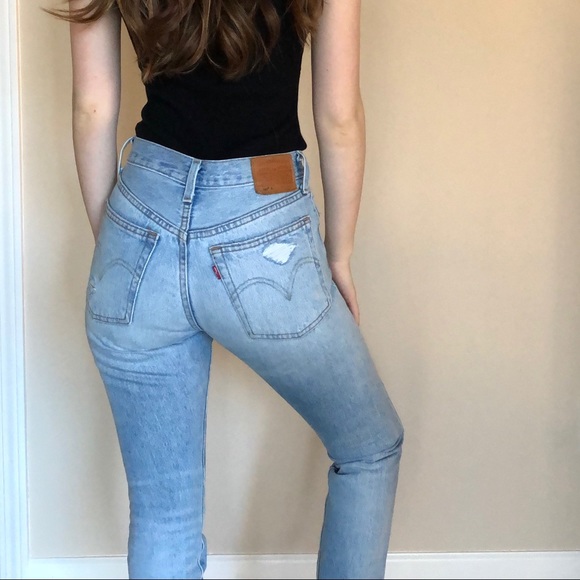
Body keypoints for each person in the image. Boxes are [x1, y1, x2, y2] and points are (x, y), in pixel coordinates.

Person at [48, 0, 405, 578]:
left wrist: (118, 244)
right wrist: (339, 253)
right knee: (370, 448)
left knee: (164, 517)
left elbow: (92, 107)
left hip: (139, 214)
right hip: (263, 217)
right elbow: (339, 117)